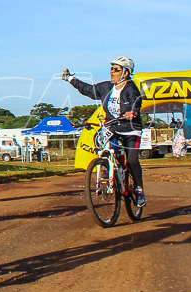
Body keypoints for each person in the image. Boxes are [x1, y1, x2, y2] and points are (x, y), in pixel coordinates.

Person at [61, 56, 146, 206]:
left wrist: (132, 112)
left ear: (126, 73)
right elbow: (88, 89)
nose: (112, 72)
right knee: (102, 142)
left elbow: (135, 104)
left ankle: (139, 190)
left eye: (116, 69)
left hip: (131, 130)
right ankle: (108, 167)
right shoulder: (106, 87)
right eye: (111, 69)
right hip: (113, 127)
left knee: (132, 160)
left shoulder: (132, 89)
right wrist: (70, 79)